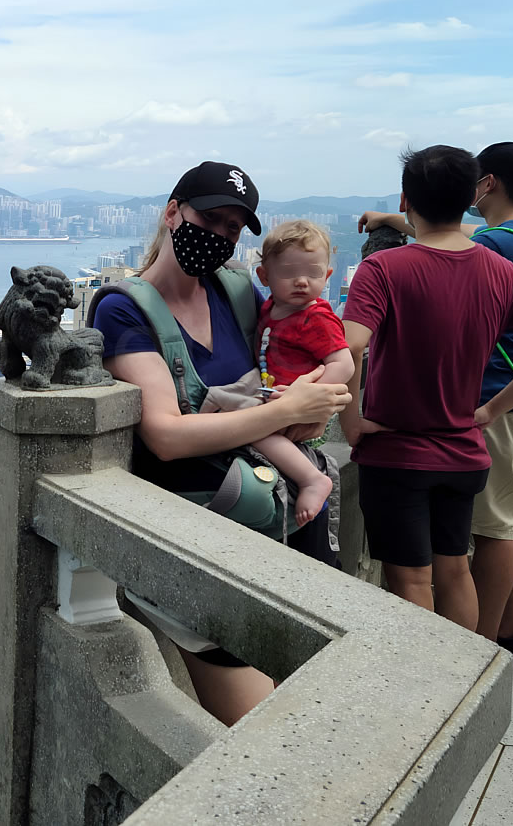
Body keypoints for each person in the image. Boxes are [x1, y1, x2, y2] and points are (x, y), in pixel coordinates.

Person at [90, 161, 352, 726]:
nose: (219, 236)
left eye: (233, 228)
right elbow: (165, 435)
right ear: (172, 213)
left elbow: (294, 357)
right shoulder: (124, 308)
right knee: (264, 727)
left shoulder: (236, 292)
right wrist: (285, 411)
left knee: (318, 687)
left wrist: (311, 402)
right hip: (206, 526)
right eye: (210, 219)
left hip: (284, 514)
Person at [340, 146, 513, 632]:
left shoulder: (384, 269)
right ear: (470, 196)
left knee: (411, 580)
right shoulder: (502, 270)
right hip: (464, 454)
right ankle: (470, 670)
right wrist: (491, 410)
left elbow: (350, 346)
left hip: (398, 453)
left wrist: (352, 420)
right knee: (454, 571)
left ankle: (426, 678)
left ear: (406, 200)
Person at [249, 220, 354, 524]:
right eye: (289, 273)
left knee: (256, 431)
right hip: (276, 397)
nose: (302, 282)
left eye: (313, 274)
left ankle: (312, 480)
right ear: (264, 276)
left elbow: (344, 364)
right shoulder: (271, 307)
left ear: (327, 275)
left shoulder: (315, 318)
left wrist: (306, 398)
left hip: (298, 407)